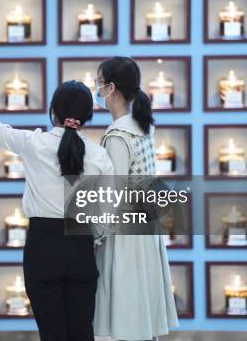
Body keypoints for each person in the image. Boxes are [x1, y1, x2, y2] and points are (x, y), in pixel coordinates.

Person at [0, 67, 114, 341]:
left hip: (43, 247)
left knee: (52, 333)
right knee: (82, 332)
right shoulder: (99, 155)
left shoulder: (34, 143)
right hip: (81, 247)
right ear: (88, 116)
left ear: (53, 110)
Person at [93, 57, 178, 341]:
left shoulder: (118, 135)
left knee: (124, 316)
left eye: (99, 83)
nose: (97, 89)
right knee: (141, 315)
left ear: (111, 88)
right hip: (145, 228)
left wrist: (94, 237)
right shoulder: (142, 126)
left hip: (125, 236)